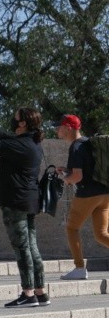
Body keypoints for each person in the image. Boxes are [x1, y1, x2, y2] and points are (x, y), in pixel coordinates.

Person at [0, 108, 49, 307]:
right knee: (31, 246)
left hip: (15, 201)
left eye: (15, 119)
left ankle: (28, 293)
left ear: (23, 123)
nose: (13, 122)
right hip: (29, 200)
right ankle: (40, 292)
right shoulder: (32, 142)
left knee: (21, 247)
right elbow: (4, 137)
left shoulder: (22, 145)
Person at [56, 114, 109, 280]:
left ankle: (79, 268)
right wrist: (68, 171)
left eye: (59, 126)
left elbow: (77, 177)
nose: (56, 130)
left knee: (72, 228)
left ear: (68, 127)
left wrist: (65, 178)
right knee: (101, 234)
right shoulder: (89, 143)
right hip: (105, 194)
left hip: (87, 194)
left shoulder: (76, 147)